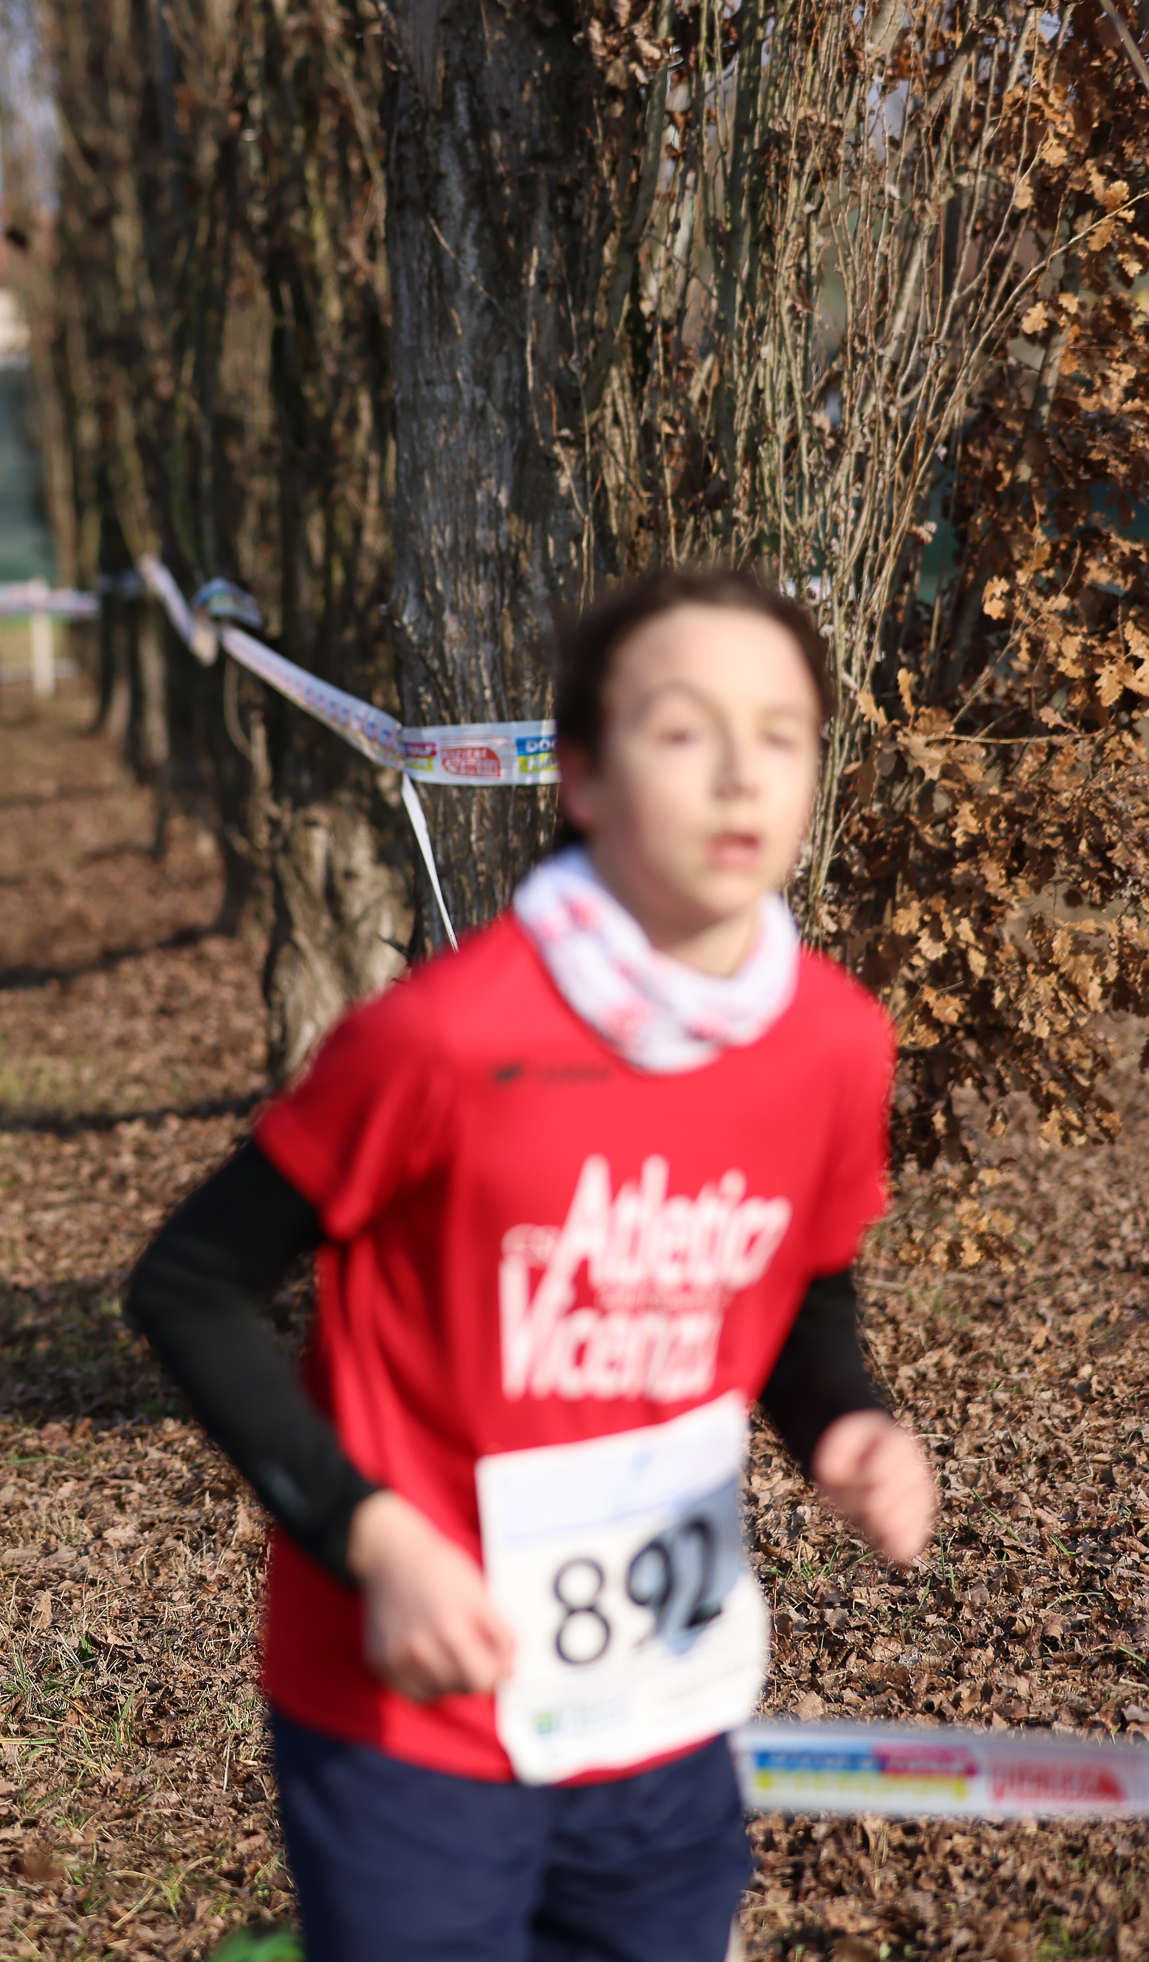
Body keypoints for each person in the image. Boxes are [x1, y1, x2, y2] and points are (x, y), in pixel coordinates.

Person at [122, 567, 936, 1962]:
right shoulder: (443, 1038)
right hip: (410, 1710)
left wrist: (844, 1418)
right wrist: (374, 1538)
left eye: (782, 732)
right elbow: (188, 1285)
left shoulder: (834, 1041)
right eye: (682, 731)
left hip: (661, 1705)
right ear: (584, 776)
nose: (740, 773)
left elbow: (801, 1275)